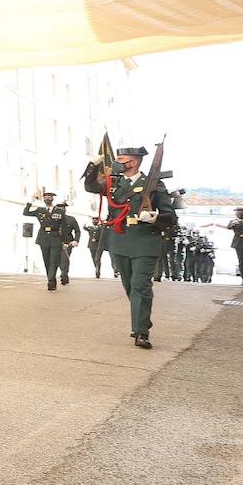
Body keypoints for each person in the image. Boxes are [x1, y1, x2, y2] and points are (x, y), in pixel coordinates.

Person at [83, 145, 177, 349]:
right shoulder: (113, 183)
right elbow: (90, 187)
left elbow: (170, 216)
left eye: (121, 158)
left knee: (140, 286)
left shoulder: (153, 184)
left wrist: (154, 218)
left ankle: (141, 331)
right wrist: (93, 165)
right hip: (119, 240)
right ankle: (142, 317)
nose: (117, 162)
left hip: (145, 241)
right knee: (129, 286)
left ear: (133, 162)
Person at [23, 190, 66, 290]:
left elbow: (64, 227)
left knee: (53, 261)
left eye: (49, 197)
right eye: (45, 197)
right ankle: (51, 278)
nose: (47, 199)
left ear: (52, 199)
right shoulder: (40, 210)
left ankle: (51, 281)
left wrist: (65, 241)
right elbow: (25, 213)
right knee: (46, 261)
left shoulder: (60, 211)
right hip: (43, 238)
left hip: (56, 238)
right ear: (43, 200)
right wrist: (31, 201)